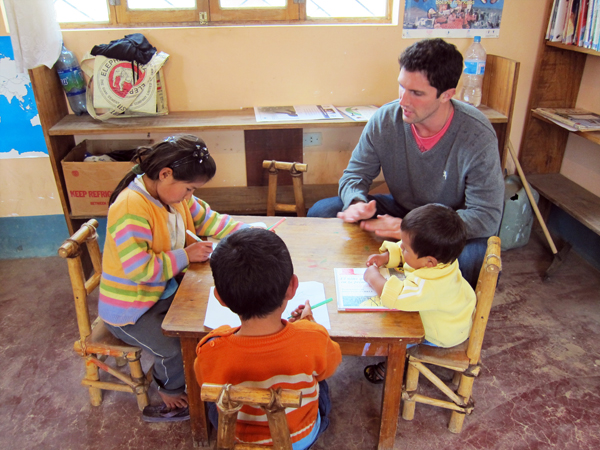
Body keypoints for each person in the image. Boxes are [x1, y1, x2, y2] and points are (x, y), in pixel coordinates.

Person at [308, 38, 504, 288]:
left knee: (470, 264)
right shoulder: (386, 119)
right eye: (402, 87)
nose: (403, 101)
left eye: (417, 93)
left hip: (450, 224)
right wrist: (356, 202)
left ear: (447, 95)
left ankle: (433, 322)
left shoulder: (477, 135)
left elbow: (486, 216)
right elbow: (354, 176)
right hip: (404, 209)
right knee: (321, 212)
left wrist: (413, 231)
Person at [99, 134, 249, 422]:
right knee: (170, 348)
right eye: (189, 188)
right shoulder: (131, 205)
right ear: (165, 174)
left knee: (205, 314)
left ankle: (199, 370)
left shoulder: (174, 195)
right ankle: (170, 392)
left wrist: (247, 230)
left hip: (161, 291)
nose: (189, 195)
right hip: (129, 309)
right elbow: (139, 269)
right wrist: (186, 255)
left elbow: (209, 219)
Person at [194, 228, 342, 449]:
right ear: (292, 287)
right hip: (298, 438)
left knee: (216, 399)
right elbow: (328, 368)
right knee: (320, 380)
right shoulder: (313, 336)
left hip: (237, 437)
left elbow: (204, 381)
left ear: (220, 298)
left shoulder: (211, 347)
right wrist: (307, 325)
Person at [362, 204, 476, 384]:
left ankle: (392, 366)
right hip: (454, 316)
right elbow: (407, 253)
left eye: (406, 248)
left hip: (442, 334)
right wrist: (386, 257)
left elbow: (397, 297)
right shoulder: (440, 260)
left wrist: (374, 278)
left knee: (396, 339)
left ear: (429, 262)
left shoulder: (432, 287)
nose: (402, 249)